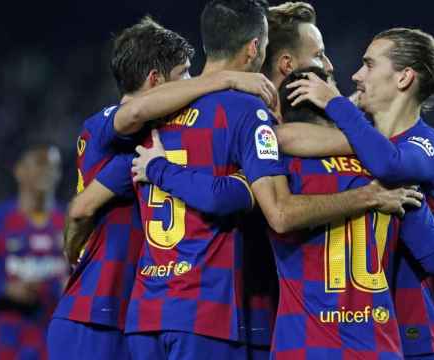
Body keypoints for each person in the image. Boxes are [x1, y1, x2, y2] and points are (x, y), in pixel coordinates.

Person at [125, 1, 410, 358]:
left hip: (152, 303)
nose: (330, 65)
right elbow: (276, 210)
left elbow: (127, 115)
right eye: (320, 55)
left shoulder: (162, 105)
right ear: (257, 50)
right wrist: (375, 169)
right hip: (233, 310)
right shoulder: (250, 115)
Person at [48, 16, 277, 360]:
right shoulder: (126, 138)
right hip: (97, 312)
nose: (192, 81)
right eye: (184, 73)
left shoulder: (143, 139)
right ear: (155, 80)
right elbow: (81, 208)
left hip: (126, 309)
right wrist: (224, 78)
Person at [281, 27, 434, 359]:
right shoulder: (359, 140)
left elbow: (389, 163)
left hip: (414, 338)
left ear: (403, 78)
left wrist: (334, 102)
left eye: (369, 65)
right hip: (356, 332)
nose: (356, 75)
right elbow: (286, 138)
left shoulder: (428, 145)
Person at [0, 144, 66, 359]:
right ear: (19, 170)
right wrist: (4, 288)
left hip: (54, 342)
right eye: (40, 163)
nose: (47, 171)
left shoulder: (72, 222)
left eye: (54, 165)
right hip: (7, 344)